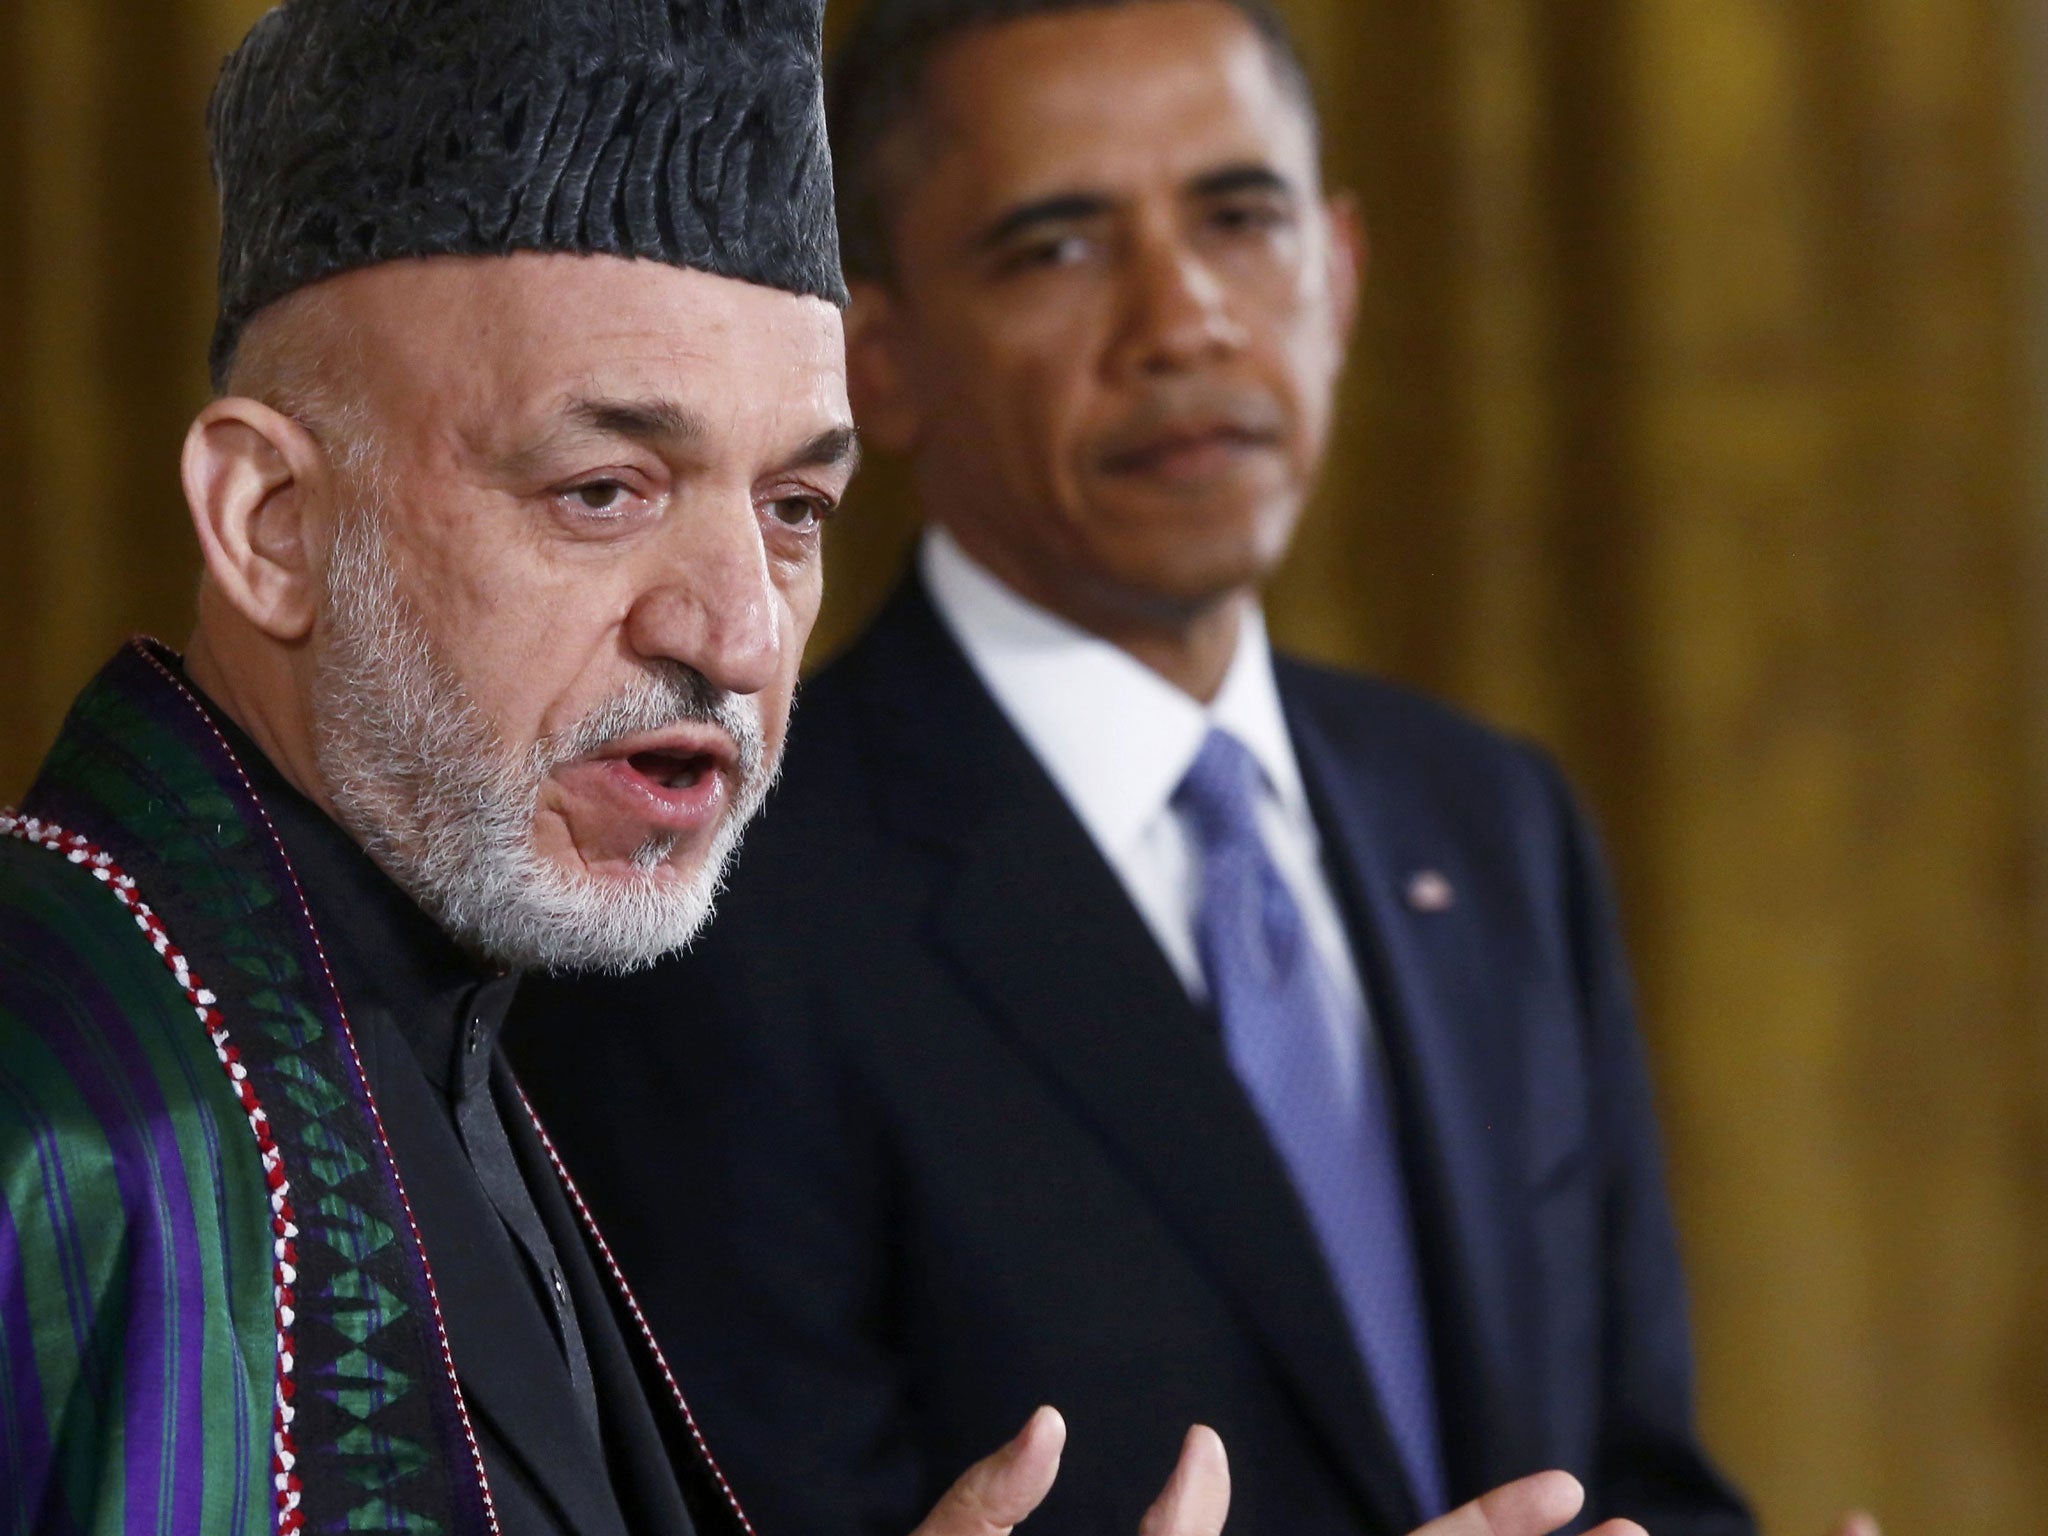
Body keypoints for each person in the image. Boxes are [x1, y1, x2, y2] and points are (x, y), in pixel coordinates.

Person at [0, 2, 1660, 1536]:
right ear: (270, 525)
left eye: (794, 509)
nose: (735, 632)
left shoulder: (430, 1017)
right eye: (604, 488)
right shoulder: (80, 1114)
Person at [511, 3, 1758, 1536]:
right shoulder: (714, 894)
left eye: (1243, 220)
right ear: (874, 361)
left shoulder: (1490, 818)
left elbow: (1637, 1472)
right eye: (1058, 247)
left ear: (1343, 273)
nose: (1185, 320)